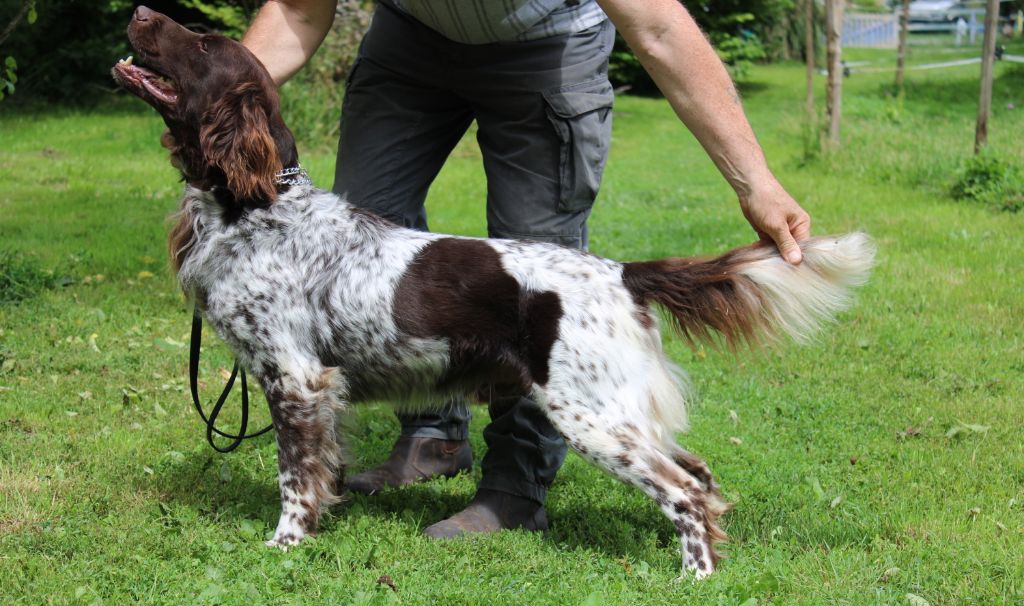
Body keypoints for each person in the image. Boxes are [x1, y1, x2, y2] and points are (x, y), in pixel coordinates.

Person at [241, 0, 811, 538]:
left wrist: (755, 181)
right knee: (357, 253)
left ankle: (517, 480)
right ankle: (432, 437)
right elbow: (296, 9)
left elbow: (660, 29)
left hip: (546, 44)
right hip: (409, 43)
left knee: (539, 285)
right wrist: (213, 106)